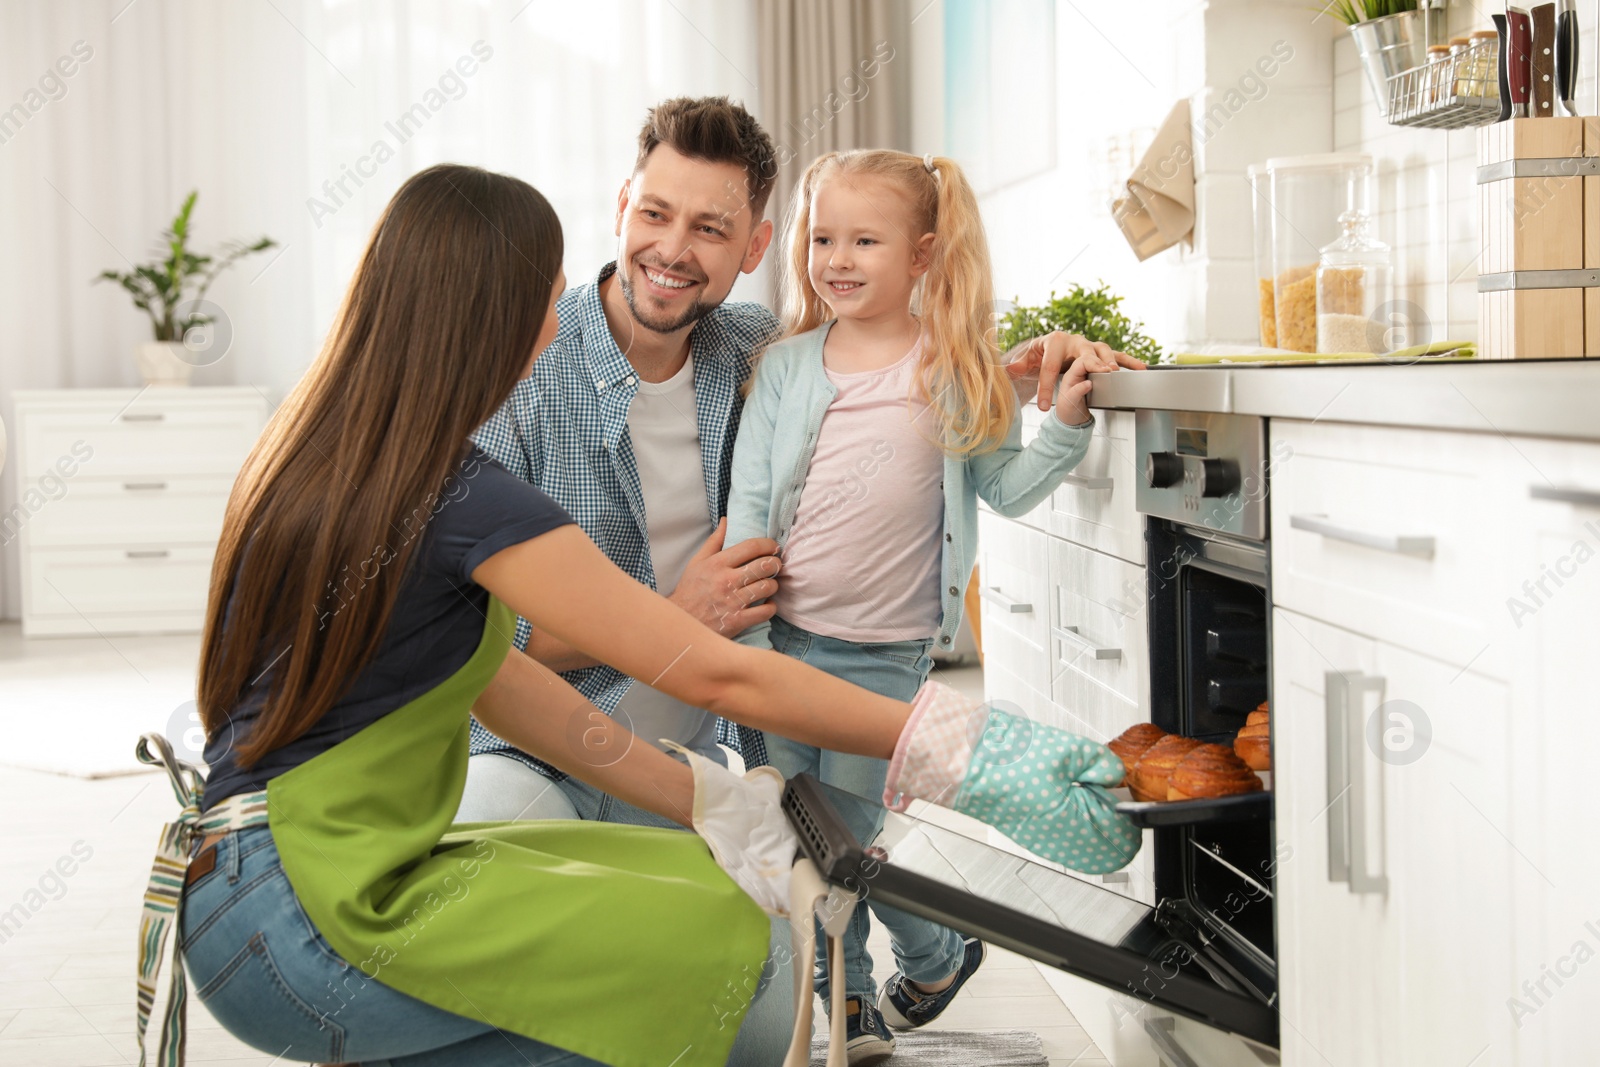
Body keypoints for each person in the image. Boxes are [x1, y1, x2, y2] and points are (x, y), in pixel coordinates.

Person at [724, 148, 1146, 1064]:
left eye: (864, 239)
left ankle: (864, 995)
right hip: (784, 648)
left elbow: (1007, 489)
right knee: (807, 841)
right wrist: (743, 648)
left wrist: (1064, 428)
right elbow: (748, 512)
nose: (836, 256)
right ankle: (908, 970)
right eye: (822, 236)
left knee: (849, 837)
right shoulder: (786, 367)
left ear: (920, 256)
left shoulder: (953, 367)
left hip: (888, 654)